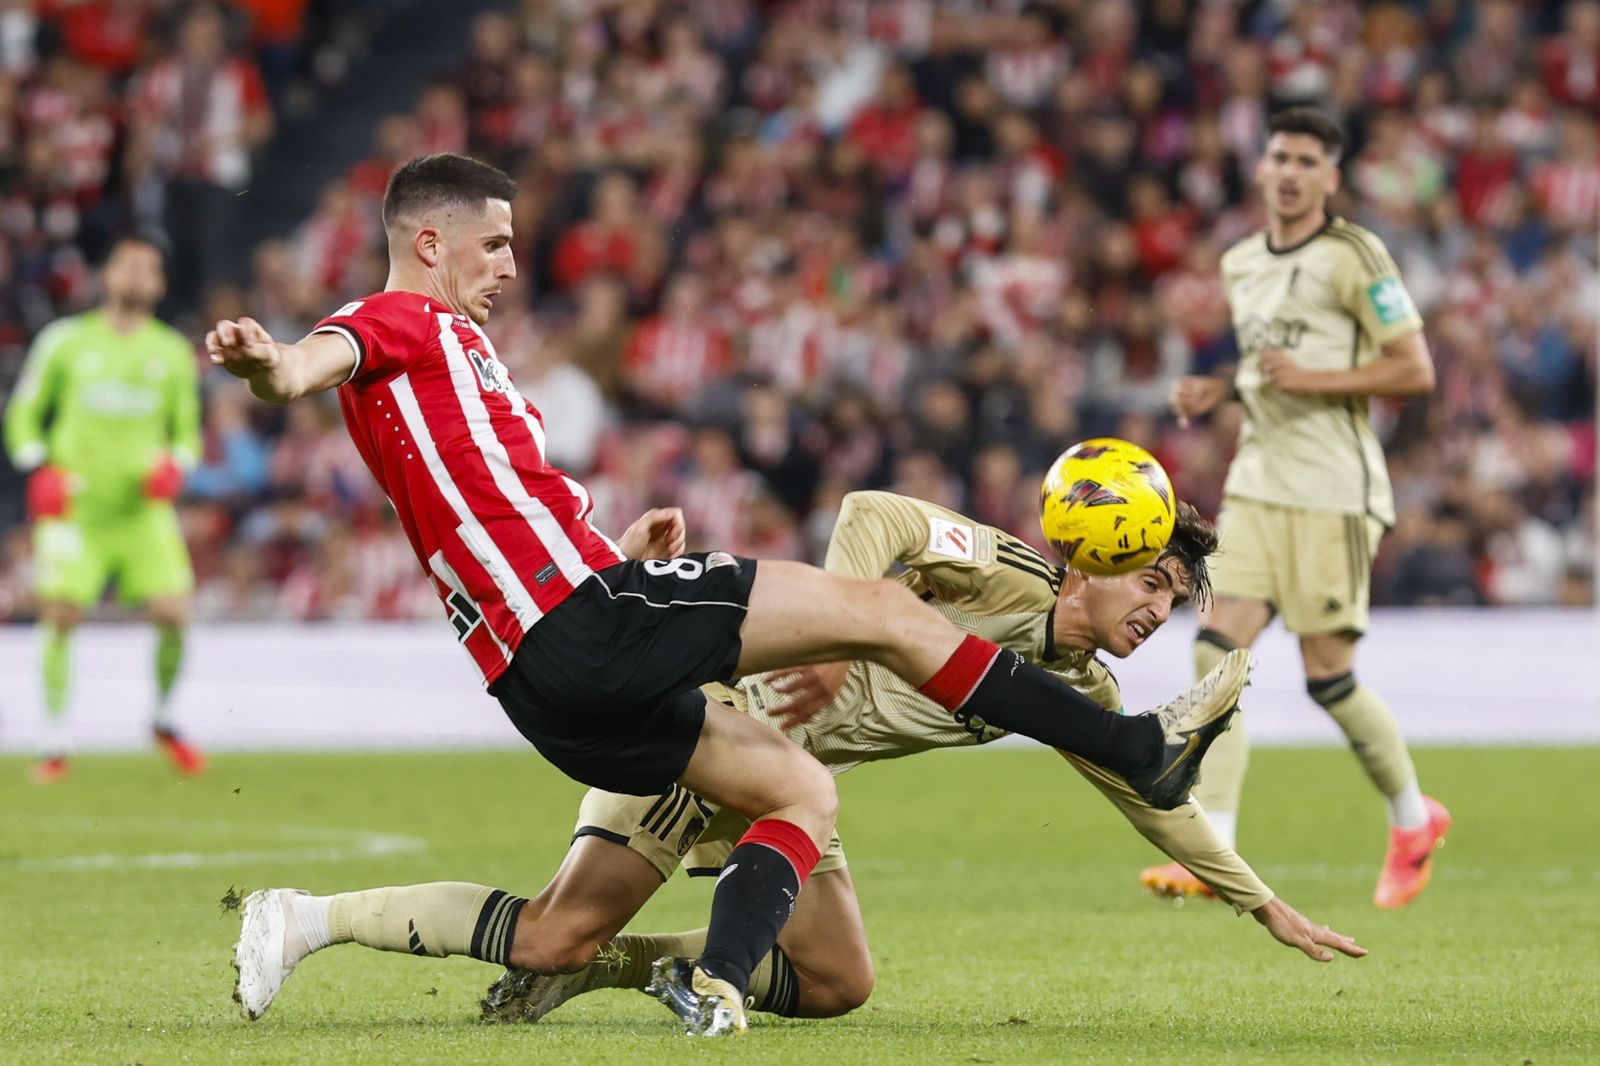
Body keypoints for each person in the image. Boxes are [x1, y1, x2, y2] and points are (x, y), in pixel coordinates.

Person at [212, 153, 1244, 1036]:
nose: (511, 266)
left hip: (551, 663)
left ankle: (304, 920)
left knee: (728, 832)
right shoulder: (394, 319)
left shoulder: (458, 354)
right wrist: (275, 364)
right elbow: (319, 359)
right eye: (494, 246)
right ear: (429, 242)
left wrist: (611, 549)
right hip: (583, 625)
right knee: (884, 613)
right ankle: (1137, 751)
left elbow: (492, 515)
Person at [223, 491, 1354, 1032]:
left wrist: (1262, 904)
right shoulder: (999, 568)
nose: (1156, 610)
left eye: (1172, 597)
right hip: (707, 723)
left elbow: (1156, 803)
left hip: (781, 793)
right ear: (1091, 562)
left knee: (837, 983)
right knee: (551, 925)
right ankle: (304, 916)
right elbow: (876, 515)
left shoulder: (1082, 692)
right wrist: (838, 620)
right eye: (1149, 581)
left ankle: (638, 971)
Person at [1161, 108, 1450, 909]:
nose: (1289, 171)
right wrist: (1221, 388)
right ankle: (1212, 846)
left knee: (1330, 678)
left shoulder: (1356, 255)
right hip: (1256, 483)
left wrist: (1309, 381)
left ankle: (1412, 817)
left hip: (1332, 488)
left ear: (1332, 176)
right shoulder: (1242, 262)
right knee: (1214, 652)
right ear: (1260, 169)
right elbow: (1269, 366)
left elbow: (1414, 370)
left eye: (1307, 160)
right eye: (1278, 156)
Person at [3, 235, 207, 783]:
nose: (138, 276)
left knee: (175, 613)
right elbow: (22, 413)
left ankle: (163, 720)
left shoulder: (170, 352)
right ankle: (53, 743)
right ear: (107, 275)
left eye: (149, 269)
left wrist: (177, 467)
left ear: (160, 285)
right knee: (62, 614)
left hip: (142, 511)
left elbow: (187, 432)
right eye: (128, 265)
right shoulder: (64, 341)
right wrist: (37, 464)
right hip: (75, 508)